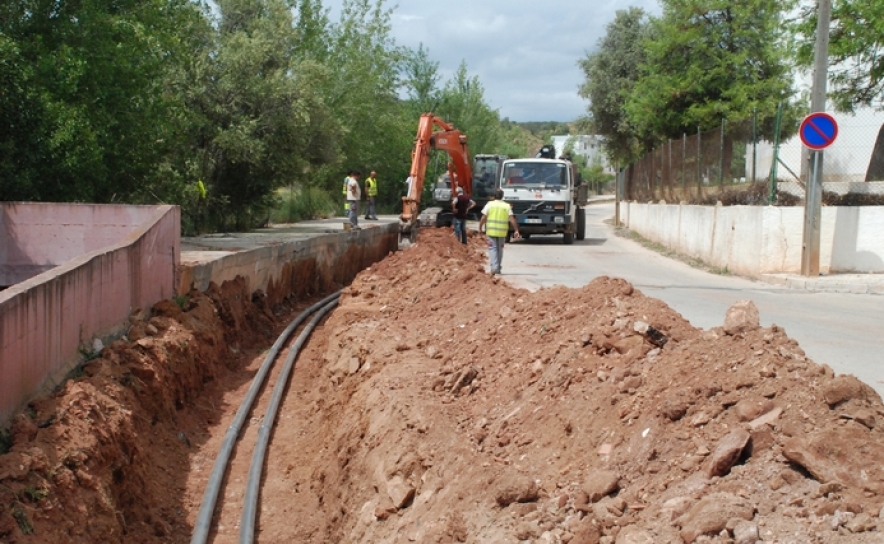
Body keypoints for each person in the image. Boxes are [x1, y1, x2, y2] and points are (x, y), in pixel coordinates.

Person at [479, 189, 520, 275]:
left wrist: (480, 227)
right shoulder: (506, 206)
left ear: (493, 196)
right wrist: (516, 230)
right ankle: (498, 267)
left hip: (491, 231)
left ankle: (494, 267)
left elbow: (483, 217)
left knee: (492, 249)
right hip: (502, 233)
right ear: (502, 196)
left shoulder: (489, 204)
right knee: (499, 249)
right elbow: (512, 219)